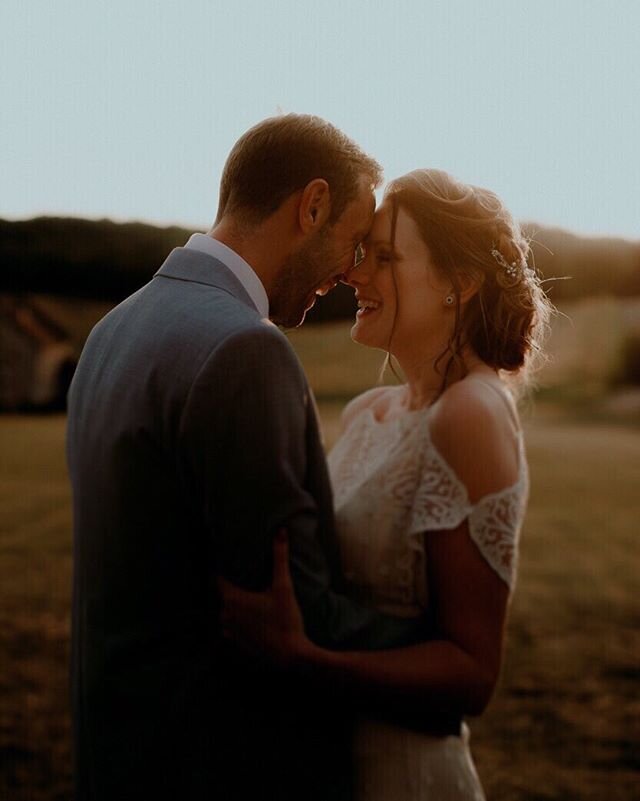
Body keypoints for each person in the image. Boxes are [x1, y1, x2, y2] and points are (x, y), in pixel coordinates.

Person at [66, 115, 433, 801]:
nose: (349, 273)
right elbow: (290, 603)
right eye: (353, 242)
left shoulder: (112, 330)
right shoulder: (244, 349)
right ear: (312, 204)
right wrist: (444, 655)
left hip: (119, 755)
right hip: (217, 763)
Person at [219, 168, 553, 800]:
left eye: (385, 256)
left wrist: (306, 659)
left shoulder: (470, 414)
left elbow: (471, 672)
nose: (354, 272)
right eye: (361, 253)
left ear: (460, 281)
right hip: (325, 766)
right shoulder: (367, 413)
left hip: (403, 774)